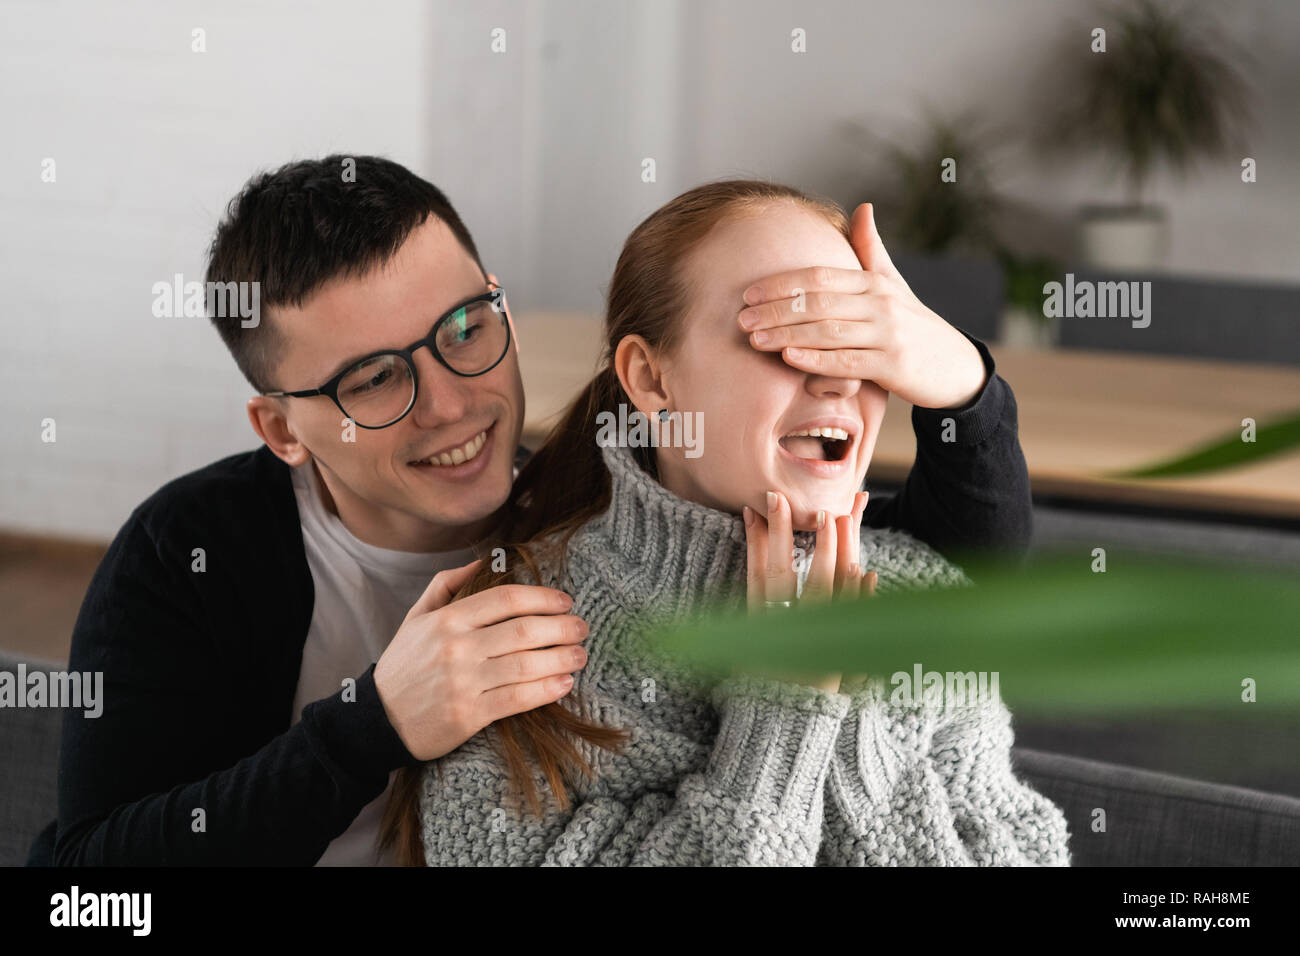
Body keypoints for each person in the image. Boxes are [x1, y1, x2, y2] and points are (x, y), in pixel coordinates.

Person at [29, 156, 1033, 866]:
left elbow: (934, 567)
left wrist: (958, 382)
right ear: (282, 428)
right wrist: (369, 726)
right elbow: (87, 890)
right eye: (375, 378)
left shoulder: (592, 496)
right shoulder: (191, 551)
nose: (453, 401)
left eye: (465, 327)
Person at [387, 180, 1070, 866]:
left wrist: (854, 722)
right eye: (785, 338)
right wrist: (783, 721)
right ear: (652, 381)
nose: (839, 381)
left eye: (857, 342)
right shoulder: (508, 639)